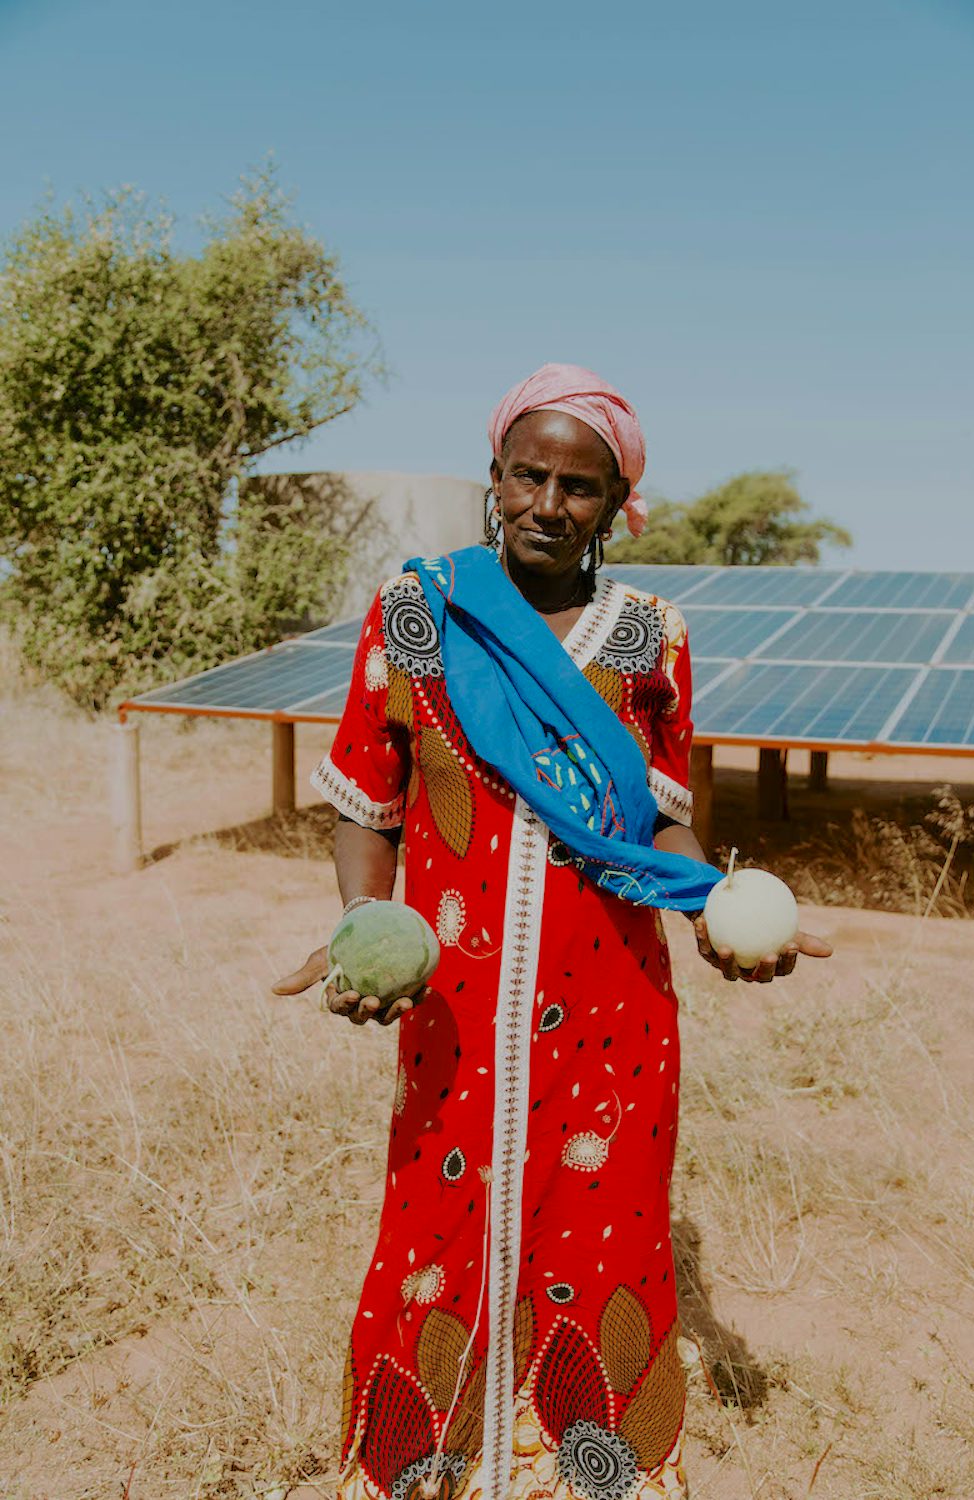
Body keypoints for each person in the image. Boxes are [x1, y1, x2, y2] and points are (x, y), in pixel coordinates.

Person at [273, 363, 832, 1500]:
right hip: (453, 1001)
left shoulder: (649, 640)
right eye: (527, 474)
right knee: (435, 1233)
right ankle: (418, 1468)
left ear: (617, 503)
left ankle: (584, 1475)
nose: (547, 502)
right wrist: (364, 926)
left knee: (602, 1241)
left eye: (580, 486)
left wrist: (718, 918)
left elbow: (662, 830)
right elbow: (364, 803)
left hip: (615, 1010)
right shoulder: (418, 611)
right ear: (493, 477)